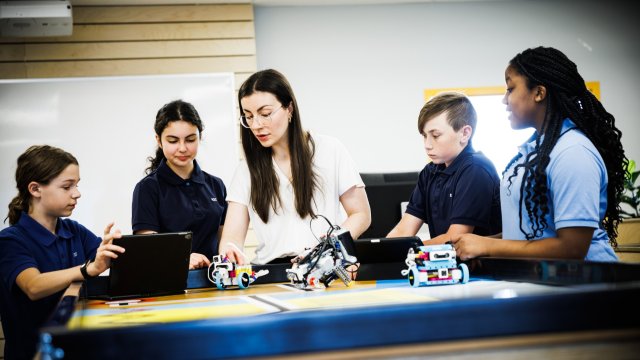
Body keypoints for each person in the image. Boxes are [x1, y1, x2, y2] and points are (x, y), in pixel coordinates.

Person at [451, 46, 626, 262]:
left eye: (511, 89)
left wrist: (488, 245)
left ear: (539, 93)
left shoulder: (573, 153)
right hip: (547, 282)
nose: (504, 100)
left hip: (590, 286)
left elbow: (572, 248)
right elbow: (529, 233)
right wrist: (478, 245)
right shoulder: (534, 151)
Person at [218, 69, 371, 265]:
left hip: (323, 265)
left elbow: (361, 214)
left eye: (265, 114)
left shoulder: (330, 149)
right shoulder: (246, 170)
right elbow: (231, 240)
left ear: (289, 108)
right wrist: (230, 252)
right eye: (248, 116)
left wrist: (328, 248)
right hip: (271, 272)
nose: (256, 125)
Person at [0, 145, 124, 360]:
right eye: (67, 187)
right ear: (35, 189)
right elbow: (33, 286)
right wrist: (87, 270)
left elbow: (111, 258)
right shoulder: (10, 240)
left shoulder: (73, 230)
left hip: (75, 351)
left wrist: (115, 248)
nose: (77, 193)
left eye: (76, 185)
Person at [387, 92, 501, 243]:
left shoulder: (476, 169)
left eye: (435, 135)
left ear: (465, 133)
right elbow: (404, 229)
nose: (427, 145)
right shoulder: (430, 172)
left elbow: (453, 239)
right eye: (424, 136)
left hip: (480, 265)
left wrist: (403, 250)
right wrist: (380, 252)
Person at [132, 100, 227, 269]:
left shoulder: (216, 185)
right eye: (173, 141)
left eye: (190, 140)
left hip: (214, 282)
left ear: (200, 137)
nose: (182, 148)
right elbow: (147, 248)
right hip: (169, 283)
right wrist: (182, 258)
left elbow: (225, 243)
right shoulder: (147, 189)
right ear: (159, 141)